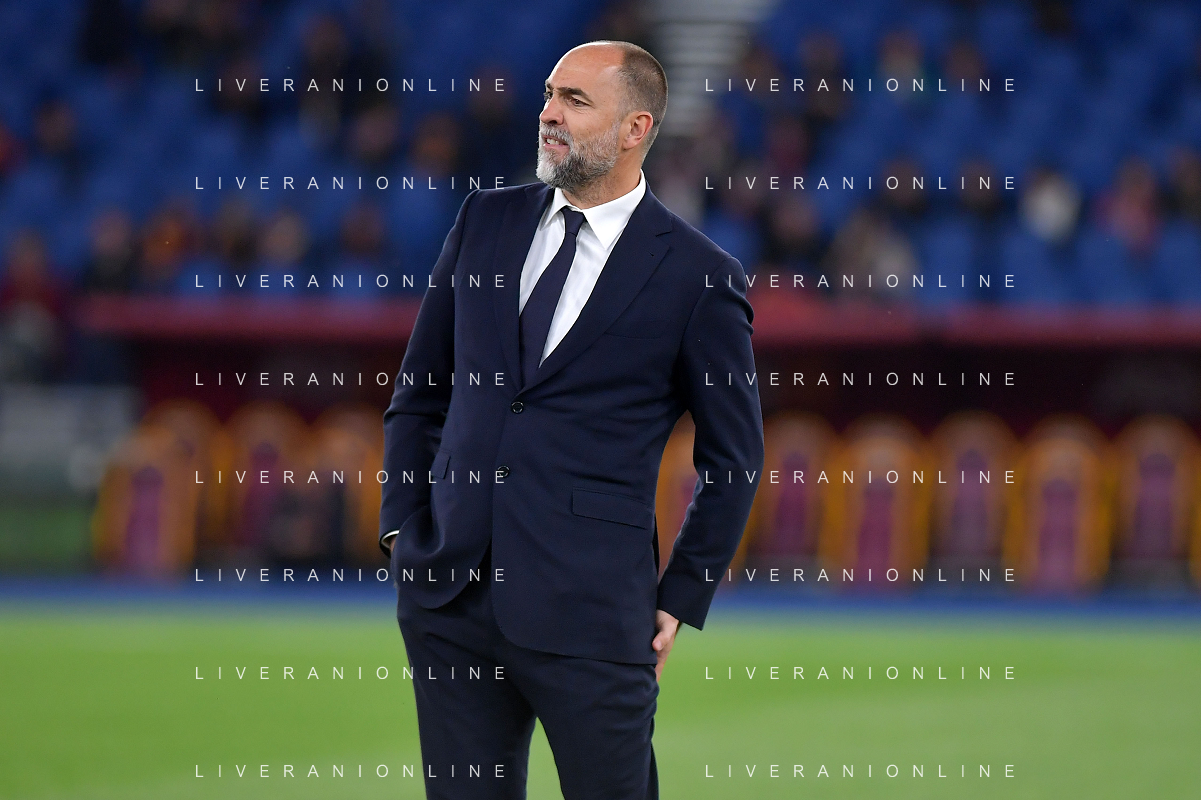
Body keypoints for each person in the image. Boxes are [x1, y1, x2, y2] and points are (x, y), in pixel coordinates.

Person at [379, 40, 763, 799]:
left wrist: (680, 596)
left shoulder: (699, 276)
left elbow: (734, 460)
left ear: (635, 128)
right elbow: (420, 393)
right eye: (551, 94)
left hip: (594, 613)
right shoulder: (484, 220)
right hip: (449, 600)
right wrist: (402, 531)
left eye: (576, 101)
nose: (550, 113)